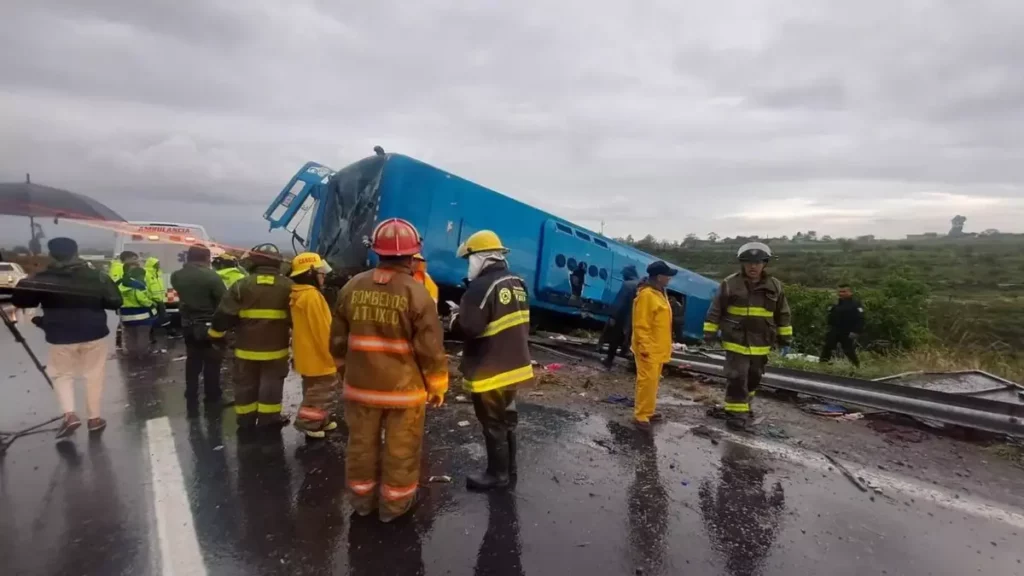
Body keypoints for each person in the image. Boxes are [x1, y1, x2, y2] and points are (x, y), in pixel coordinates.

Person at [331, 218, 448, 522]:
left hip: (360, 388)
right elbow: (430, 350)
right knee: (401, 449)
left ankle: (361, 502)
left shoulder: (351, 287)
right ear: (412, 255)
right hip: (403, 393)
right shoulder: (418, 292)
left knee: (360, 446)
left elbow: (338, 341)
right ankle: (394, 507)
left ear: (376, 251)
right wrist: (437, 386)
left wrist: (345, 371)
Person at [12, 238, 122, 438]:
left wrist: (34, 277)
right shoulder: (96, 276)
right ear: (76, 252)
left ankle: (70, 415)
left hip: (60, 335)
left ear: (51, 254)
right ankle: (95, 419)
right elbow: (115, 301)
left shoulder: (43, 278)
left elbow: (20, 299)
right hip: (93, 332)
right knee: (94, 375)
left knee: (62, 375)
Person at [456, 230, 533, 490]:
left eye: (469, 259)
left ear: (480, 257)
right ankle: (509, 470)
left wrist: (455, 317)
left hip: (490, 368)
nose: (469, 265)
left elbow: (470, 328)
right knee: (507, 418)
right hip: (514, 365)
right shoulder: (517, 282)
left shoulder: (480, 286)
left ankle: (496, 475)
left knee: (492, 421)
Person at [703, 242, 793, 431]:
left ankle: (744, 406)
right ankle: (736, 414)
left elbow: (783, 314)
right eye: (749, 262)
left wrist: (786, 338)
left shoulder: (774, 286)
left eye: (758, 262)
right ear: (742, 264)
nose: (753, 266)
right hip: (736, 340)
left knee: (754, 377)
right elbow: (716, 309)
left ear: (764, 263)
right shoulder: (730, 283)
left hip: (761, 343)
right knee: (737, 376)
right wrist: (709, 333)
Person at [208, 243, 293, 434]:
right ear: (277, 264)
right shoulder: (288, 287)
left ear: (253, 263)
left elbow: (223, 315)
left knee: (245, 383)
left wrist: (215, 335)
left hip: (245, 349)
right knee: (271, 383)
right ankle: (269, 420)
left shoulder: (241, 285)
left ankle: (245, 420)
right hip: (275, 349)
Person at [289, 252, 340, 439]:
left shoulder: (298, 293)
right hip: (319, 357)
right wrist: (333, 354)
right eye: (320, 272)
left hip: (307, 355)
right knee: (321, 392)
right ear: (310, 273)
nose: (323, 275)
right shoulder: (312, 296)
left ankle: (321, 419)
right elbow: (323, 330)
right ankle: (309, 423)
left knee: (313, 390)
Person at [170, 245, 227, 410]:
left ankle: (191, 391)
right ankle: (212, 396)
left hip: (187, 324)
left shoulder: (177, 276)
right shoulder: (211, 277)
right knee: (212, 362)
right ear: (207, 258)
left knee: (193, 359)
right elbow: (223, 302)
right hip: (208, 325)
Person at [631, 261, 677, 431]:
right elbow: (641, 324)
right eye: (667, 275)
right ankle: (641, 415)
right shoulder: (647, 296)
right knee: (646, 381)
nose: (669, 279)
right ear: (659, 277)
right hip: (648, 349)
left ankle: (648, 411)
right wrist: (644, 347)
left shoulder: (658, 293)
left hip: (657, 347)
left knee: (653, 382)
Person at [602, 264, 640, 369]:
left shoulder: (627, 285)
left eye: (624, 274)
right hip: (636, 318)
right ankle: (633, 364)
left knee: (614, 339)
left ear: (628, 274)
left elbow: (619, 302)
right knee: (632, 342)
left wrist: (613, 316)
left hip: (623, 317)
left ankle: (609, 361)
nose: (623, 276)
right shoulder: (641, 285)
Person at [820, 284, 864, 368]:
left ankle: (856, 366)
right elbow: (830, 317)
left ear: (850, 292)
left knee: (848, 350)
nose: (841, 293)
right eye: (840, 291)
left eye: (844, 291)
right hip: (835, 330)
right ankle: (822, 365)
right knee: (827, 347)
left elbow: (861, 319)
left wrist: (856, 331)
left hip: (847, 332)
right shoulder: (837, 304)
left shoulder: (855, 304)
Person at [119, 266, 155, 359]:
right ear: (140, 275)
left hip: (126, 314)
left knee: (130, 335)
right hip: (141, 314)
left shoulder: (120, 284)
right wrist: (151, 304)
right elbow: (142, 299)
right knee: (142, 334)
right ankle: (142, 354)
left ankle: (132, 353)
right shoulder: (138, 285)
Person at [111, 251, 139, 350]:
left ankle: (124, 344)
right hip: (123, 300)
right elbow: (118, 284)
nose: (136, 261)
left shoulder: (124, 268)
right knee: (124, 324)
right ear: (127, 259)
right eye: (134, 258)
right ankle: (123, 345)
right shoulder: (118, 269)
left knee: (126, 323)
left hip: (128, 300)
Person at [144, 256, 168, 353]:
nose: (159, 265)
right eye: (156, 264)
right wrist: (150, 300)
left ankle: (158, 335)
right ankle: (151, 337)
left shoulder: (158, 273)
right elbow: (146, 288)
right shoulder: (147, 274)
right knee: (152, 320)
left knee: (162, 319)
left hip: (160, 300)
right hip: (152, 301)